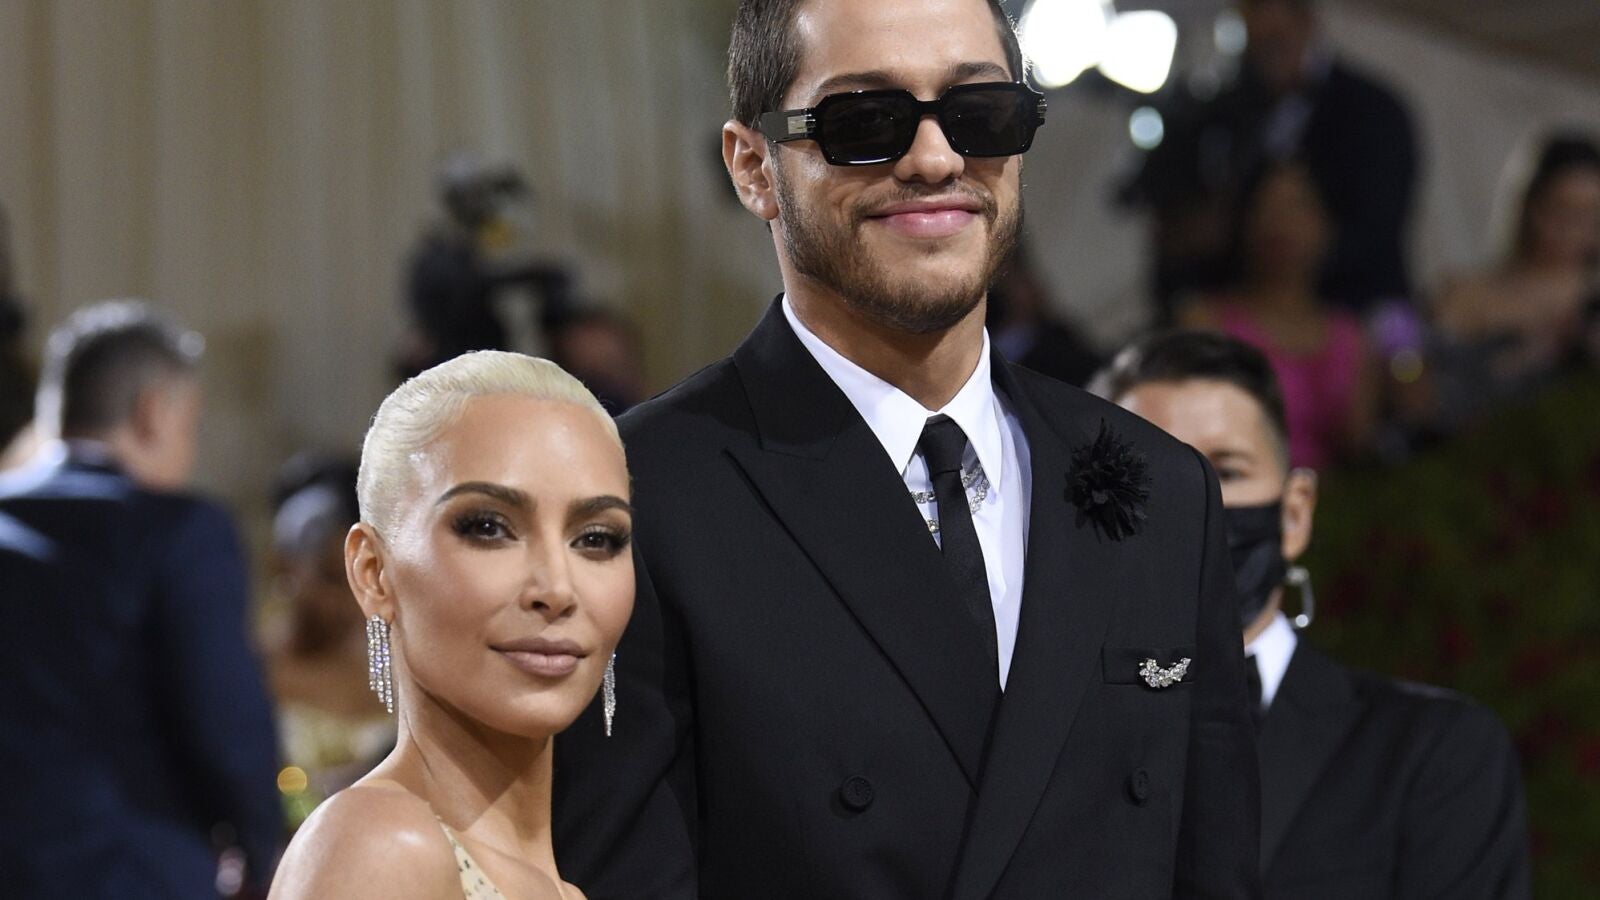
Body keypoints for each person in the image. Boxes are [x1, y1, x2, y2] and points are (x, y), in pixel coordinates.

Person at [551, 2, 1259, 897]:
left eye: (980, 114)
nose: (935, 159)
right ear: (753, 166)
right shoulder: (642, 494)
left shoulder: (1163, 490)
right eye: (865, 121)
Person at [1092, 330, 1531, 899]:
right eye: (1149, 470)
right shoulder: (1030, 751)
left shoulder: (1435, 752)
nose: (1192, 503)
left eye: (1227, 472)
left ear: (1295, 513)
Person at [269, 351, 634, 899]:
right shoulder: (382, 848)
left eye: (596, 538)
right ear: (373, 572)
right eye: (488, 527)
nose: (558, 589)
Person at [0, 301, 282, 897]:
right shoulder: (178, 532)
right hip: (131, 872)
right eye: (191, 428)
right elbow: (225, 723)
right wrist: (265, 851)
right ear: (153, 413)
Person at [1128, 0, 1417, 315]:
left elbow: (1378, 228)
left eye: (1276, 40)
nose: (1266, 54)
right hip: (1247, 316)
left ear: (1306, 22)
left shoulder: (1373, 112)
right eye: (1256, 41)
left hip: (1355, 311)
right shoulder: (1220, 113)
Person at [1178, 161, 1377, 468]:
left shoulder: (1350, 336)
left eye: (1297, 206)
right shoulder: (1206, 322)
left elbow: (1362, 451)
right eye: (1265, 207)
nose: (1281, 222)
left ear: (1328, 224)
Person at [262, 455, 395, 827]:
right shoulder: (249, 671)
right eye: (332, 578)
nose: (347, 600)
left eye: (363, 578)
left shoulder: (399, 664)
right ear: (284, 566)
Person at [1433, 133, 1600, 400]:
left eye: (1590, 216)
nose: (1574, 230)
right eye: (1563, 211)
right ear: (1531, 206)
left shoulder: (1590, 299)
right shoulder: (1468, 293)